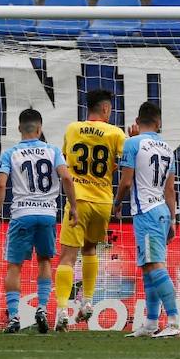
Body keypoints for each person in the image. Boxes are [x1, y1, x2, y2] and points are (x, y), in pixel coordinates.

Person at [0, 109, 75, 334]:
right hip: (48, 214)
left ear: (19, 128)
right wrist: (73, 207)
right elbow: (66, 177)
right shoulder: (53, 151)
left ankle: (14, 317)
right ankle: (42, 308)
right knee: (45, 261)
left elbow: (1, 185)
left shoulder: (10, 153)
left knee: (14, 266)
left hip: (22, 214)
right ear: (40, 129)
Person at [56, 89, 126, 331]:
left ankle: (63, 310)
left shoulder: (72, 129)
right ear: (106, 109)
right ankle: (86, 302)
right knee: (90, 250)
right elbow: (121, 165)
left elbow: (66, 161)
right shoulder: (116, 133)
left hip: (79, 200)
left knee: (67, 256)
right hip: (103, 202)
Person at [115, 102, 180, 339]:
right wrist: (173, 220)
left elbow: (125, 182)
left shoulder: (132, 143)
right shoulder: (167, 148)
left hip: (146, 212)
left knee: (155, 266)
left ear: (137, 119)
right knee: (147, 267)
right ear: (158, 123)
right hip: (162, 211)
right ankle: (152, 323)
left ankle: (174, 322)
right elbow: (170, 189)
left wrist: (117, 204)